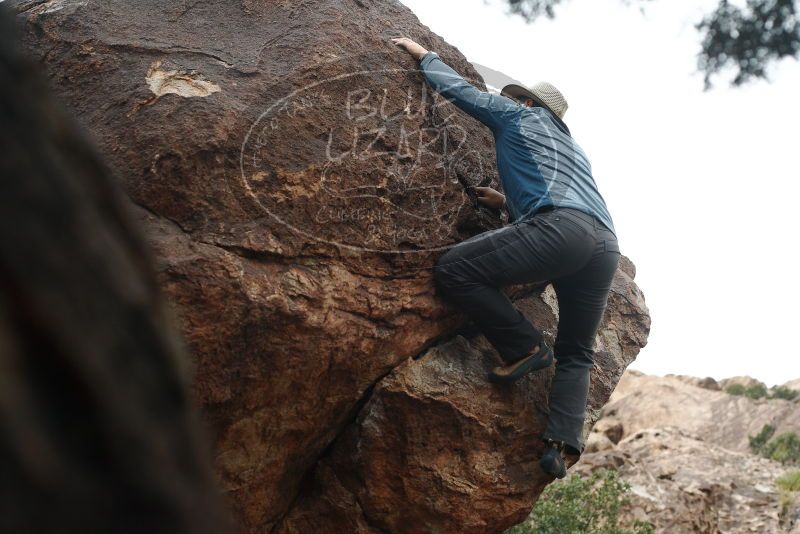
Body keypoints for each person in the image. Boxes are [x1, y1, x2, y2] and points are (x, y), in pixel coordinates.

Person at [391, 37, 621, 479]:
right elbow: (554, 193)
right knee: (577, 352)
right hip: (605, 245)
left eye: (516, 97)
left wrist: (425, 56)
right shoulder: (575, 151)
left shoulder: (519, 115)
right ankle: (562, 446)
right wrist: (503, 204)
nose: (506, 99)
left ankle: (524, 344)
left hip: (564, 231)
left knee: (455, 269)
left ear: (531, 103)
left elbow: (464, 94)